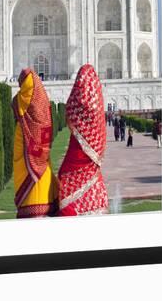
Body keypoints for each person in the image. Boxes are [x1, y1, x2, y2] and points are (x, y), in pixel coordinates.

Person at [58, 64, 109, 216]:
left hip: (77, 153)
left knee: (66, 176)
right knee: (89, 174)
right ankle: (92, 206)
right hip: (91, 158)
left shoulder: (77, 101)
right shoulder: (97, 101)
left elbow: (70, 109)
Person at [12, 68, 58, 218]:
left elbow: (15, 106)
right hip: (43, 157)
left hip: (29, 156)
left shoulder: (21, 99)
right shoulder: (43, 104)